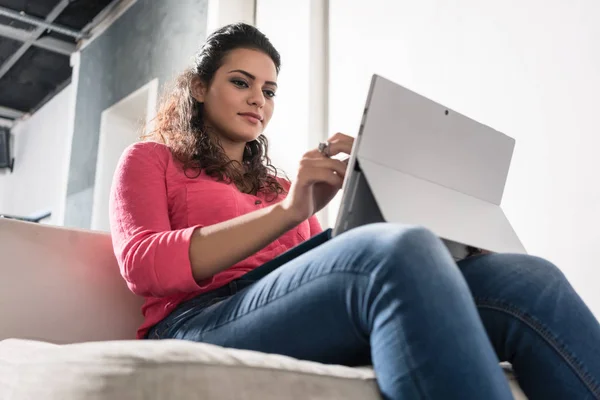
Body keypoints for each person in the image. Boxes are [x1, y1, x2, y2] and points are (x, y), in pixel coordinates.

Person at [109, 23, 600, 400]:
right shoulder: (151, 159)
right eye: (241, 82)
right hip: (197, 321)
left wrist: (452, 245)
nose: (258, 99)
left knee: (526, 278)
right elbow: (145, 265)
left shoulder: (281, 185)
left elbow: (312, 275)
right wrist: (287, 210)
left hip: (279, 307)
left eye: (269, 90)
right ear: (198, 87)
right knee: (395, 250)